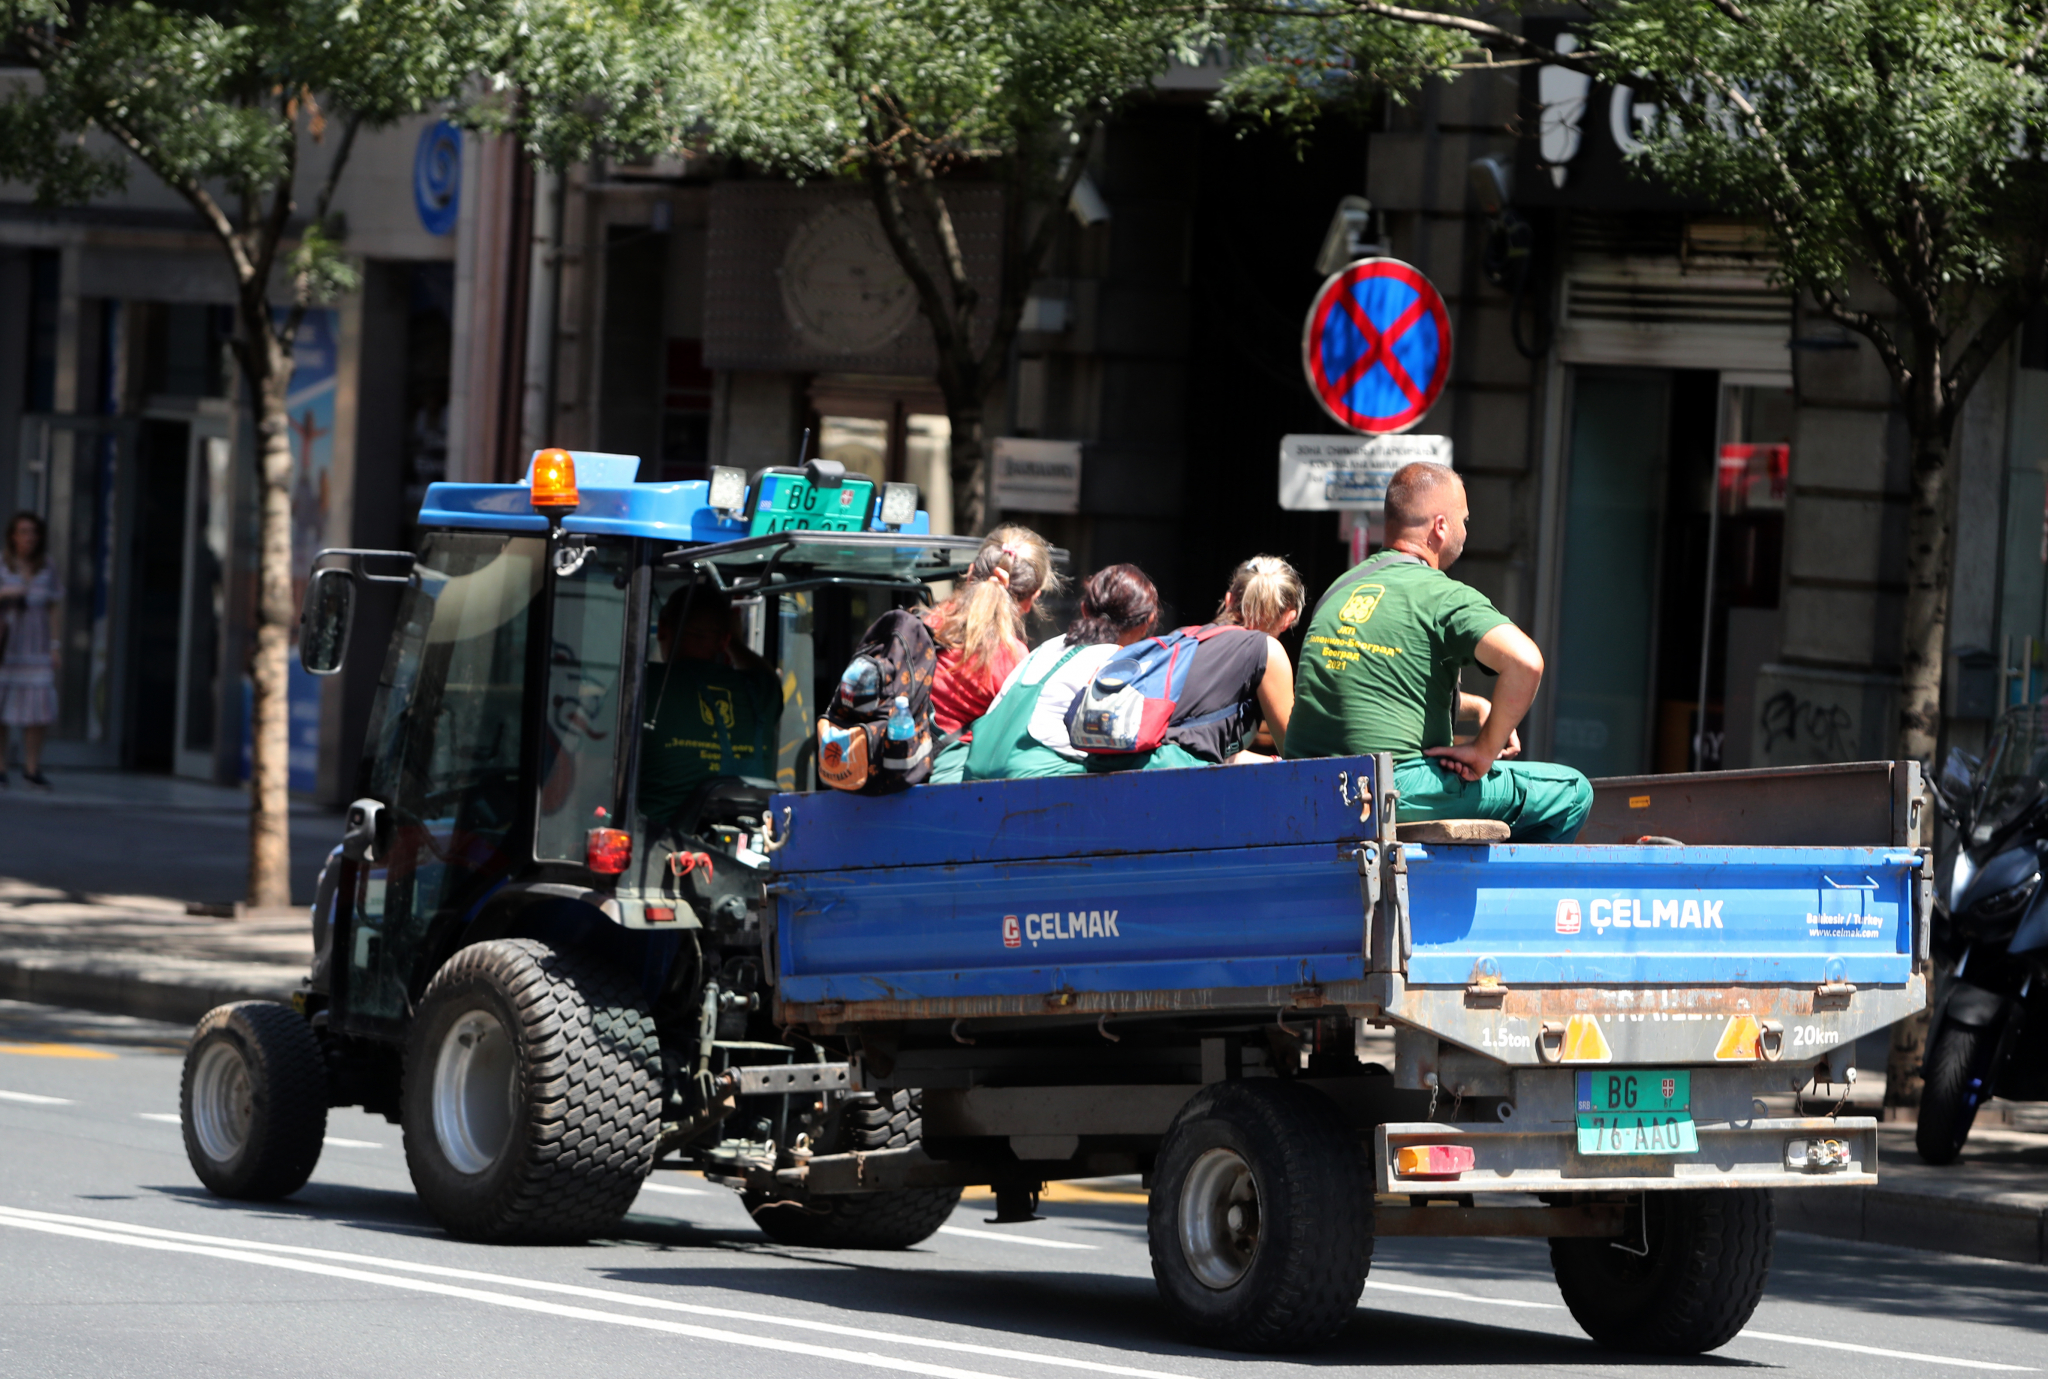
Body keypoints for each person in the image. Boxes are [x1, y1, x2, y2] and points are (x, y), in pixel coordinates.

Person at [1283, 463, 1592, 842]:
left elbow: (1379, 681)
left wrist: (1478, 709)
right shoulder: (1441, 595)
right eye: (1464, 519)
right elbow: (1526, 662)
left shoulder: (1339, 589)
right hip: (1386, 790)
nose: (1466, 529)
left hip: (1304, 788)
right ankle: (1490, 897)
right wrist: (1484, 750)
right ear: (1441, 527)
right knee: (1572, 791)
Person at [964, 564, 1172, 780]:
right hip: (1035, 771)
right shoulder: (1116, 662)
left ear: (1084, 609)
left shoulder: (1048, 647)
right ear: (1148, 622)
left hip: (978, 765)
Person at [638, 582, 784, 824]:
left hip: (657, 849)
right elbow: (768, 677)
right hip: (747, 849)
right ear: (723, 641)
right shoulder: (760, 691)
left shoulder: (643, 681)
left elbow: (598, 767)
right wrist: (736, 643)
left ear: (662, 629)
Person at [925, 525, 1060, 737]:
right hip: (958, 765)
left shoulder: (925, 624)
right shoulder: (1014, 658)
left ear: (970, 574)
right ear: (1032, 600)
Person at [1195, 554, 1307, 762]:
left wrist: (1271, 762)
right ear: (1288, 619)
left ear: (1229, 601)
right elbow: (1295, 753)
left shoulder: (1191, 639)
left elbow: (1213, 750)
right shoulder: (1267, 650)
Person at [0, 512, 61, 790]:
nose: (29, 537)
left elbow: (54, 605)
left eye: (33, 532)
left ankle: (31, 767)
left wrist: (55, 645)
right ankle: (1, 766)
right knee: (2, 706)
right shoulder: (2, 563)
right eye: (24, 531)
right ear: (13, 535)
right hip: (6, 643)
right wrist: (8, 593)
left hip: (36, 644)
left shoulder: (47, 566)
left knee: (39, 709)